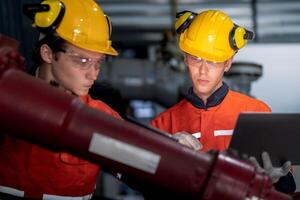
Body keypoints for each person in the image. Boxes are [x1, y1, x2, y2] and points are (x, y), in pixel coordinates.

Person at [151, 9, 295, 193]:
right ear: (185, 58)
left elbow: (288, 189)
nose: (203, 70)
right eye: (196, 58)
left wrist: (278, 179)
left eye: (213, 61)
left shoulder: (257, 112)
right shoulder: (163, 124)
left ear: (228, 63)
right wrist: (168, 156)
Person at [0, 0, 121, 199]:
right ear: (47, 53)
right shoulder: (7, 101)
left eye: (98, 63)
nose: (93, 75)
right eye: (82, 61)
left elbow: (143, 165)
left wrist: (172, 149)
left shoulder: (102, 118)